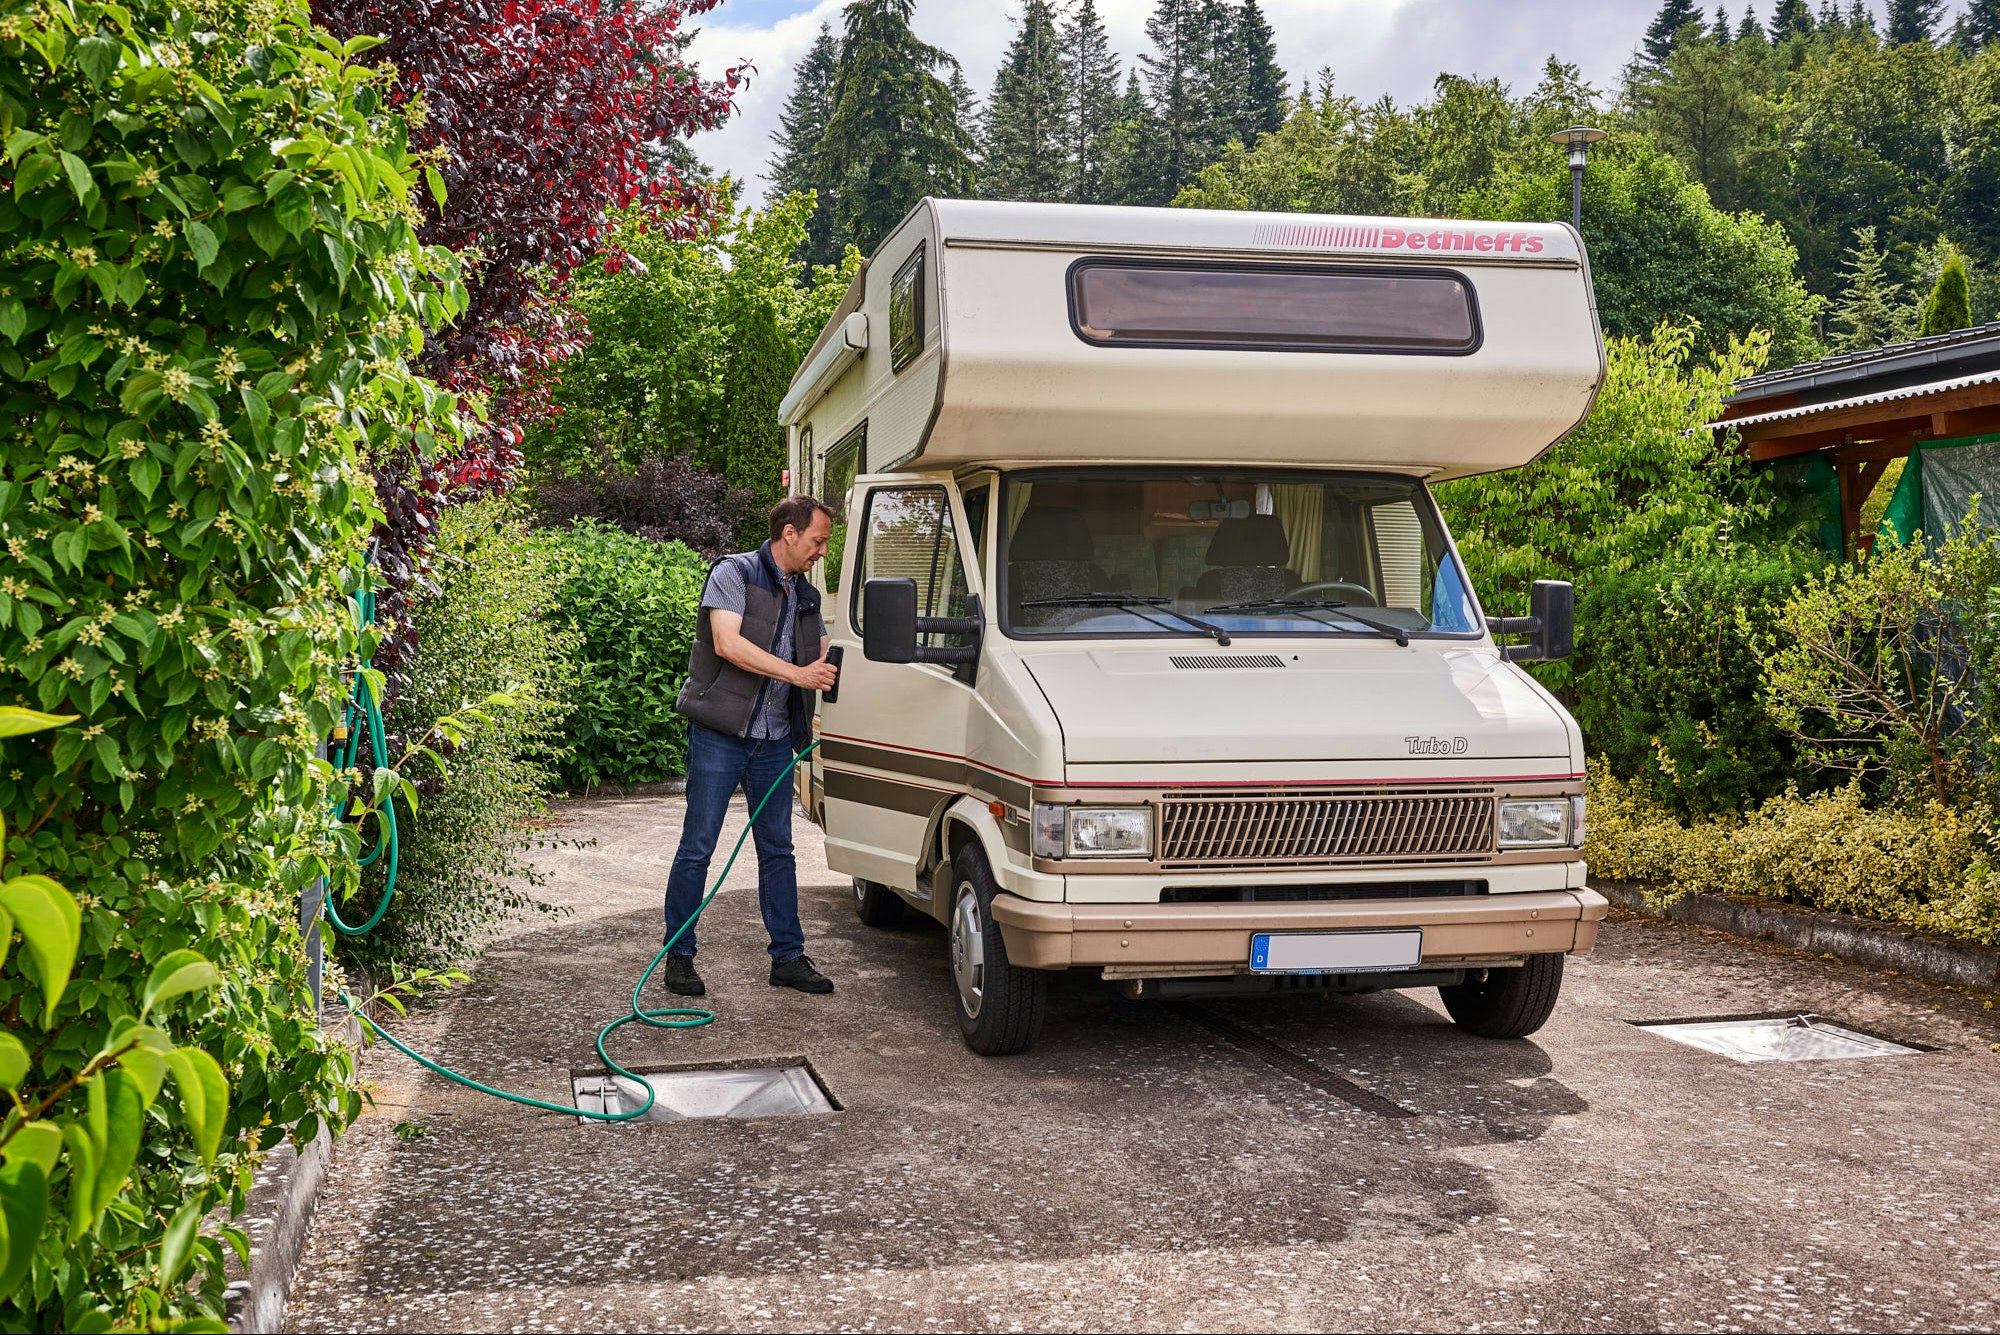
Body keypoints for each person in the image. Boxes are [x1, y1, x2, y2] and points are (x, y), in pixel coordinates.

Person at [662, 496, 841, 996]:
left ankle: (788, 958)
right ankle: (679, 956)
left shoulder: (807, 596)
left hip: (775, 740)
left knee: (779, 851)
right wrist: (798, 675)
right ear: (789, 533)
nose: (822, 552)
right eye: (818, 541)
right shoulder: (734, 573)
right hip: (720, 735)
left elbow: (822, 651)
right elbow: (728, 643)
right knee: (698, 847)